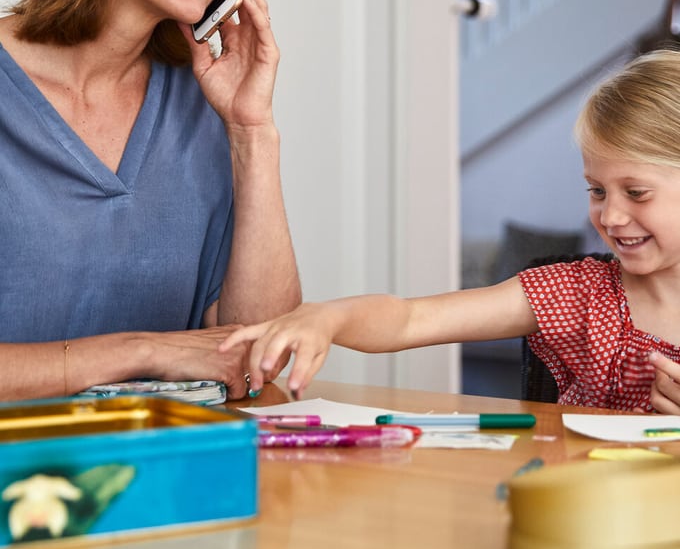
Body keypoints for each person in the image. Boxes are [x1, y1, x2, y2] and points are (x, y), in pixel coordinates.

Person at [0, 0, 301, 401]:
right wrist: (138, 351)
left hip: (163, 477)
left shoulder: (203, 106)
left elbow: (255, 355)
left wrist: (253, 132)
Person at [223, 48, 680, 413]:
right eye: (597, 191)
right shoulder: (577, 295)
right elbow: (411, 318)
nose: (610, 216)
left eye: (636, 193)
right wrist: (328, 317)